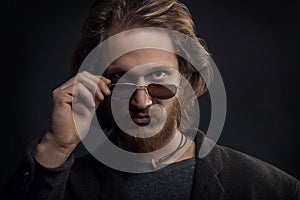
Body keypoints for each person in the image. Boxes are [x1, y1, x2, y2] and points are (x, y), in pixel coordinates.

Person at [2, 0, 300, 199]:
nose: (141, 102)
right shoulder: (62, 186)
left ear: (185, 78)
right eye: (121, 79)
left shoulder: (270, 189)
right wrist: (56, 146)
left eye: (158, 77)